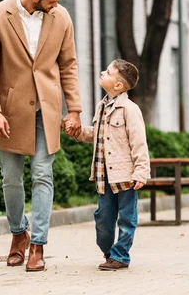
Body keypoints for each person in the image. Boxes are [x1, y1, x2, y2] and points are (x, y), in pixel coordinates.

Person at [0, 0, 82, 272]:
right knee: (11, 180)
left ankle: (38, 244)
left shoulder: (61, 18)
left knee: (42, 174)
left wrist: (73, 108)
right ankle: (17, 235)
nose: (56, 7)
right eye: (51, 2)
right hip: (10, 110)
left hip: (46, 109)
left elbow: (69, 64)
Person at [66, 59, 150, 271]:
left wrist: (141, 172)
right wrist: (78, 132)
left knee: (126, 219)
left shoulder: (130, 109)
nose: (103, 72)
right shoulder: (101, 106)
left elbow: (139, 142)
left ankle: (120, 256)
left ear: (118, 85)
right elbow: (97, 135)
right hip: (103, 174)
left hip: (125, 175)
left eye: (108, 72)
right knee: (103, 218)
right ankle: (108, 251)